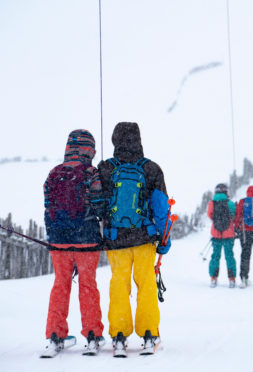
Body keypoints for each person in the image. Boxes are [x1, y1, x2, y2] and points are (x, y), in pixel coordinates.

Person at [98, 122, 171, 357]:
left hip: (116, 239)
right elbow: (161, 209)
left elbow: (97, 205)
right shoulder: (151, 169)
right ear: (139, 140)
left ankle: (119, 334)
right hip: (143, 238)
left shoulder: (106, 168)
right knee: (146, 285)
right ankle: (149, 333)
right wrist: (165, 239)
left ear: (114, 140)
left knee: (119, 285)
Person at [43, 129, 104, 356]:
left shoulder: (53, 173)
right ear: (90, 150)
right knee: (87, 286)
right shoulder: (91, 172)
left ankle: (55, 336)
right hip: (87, 240)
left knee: (61, 285)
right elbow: (99, 205)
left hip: (59, 243)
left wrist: (54, 236)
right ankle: (92, 335)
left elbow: (47, 206)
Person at [206, 183, 237, 288]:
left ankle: (213, 278)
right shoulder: (230, 203)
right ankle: (232, 279)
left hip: (216, 233)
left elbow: (210, 215)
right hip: (228, 234)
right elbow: (233, 216)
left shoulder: (212, 203)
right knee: (229, 256)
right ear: (226, 191)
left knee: (215, 256)